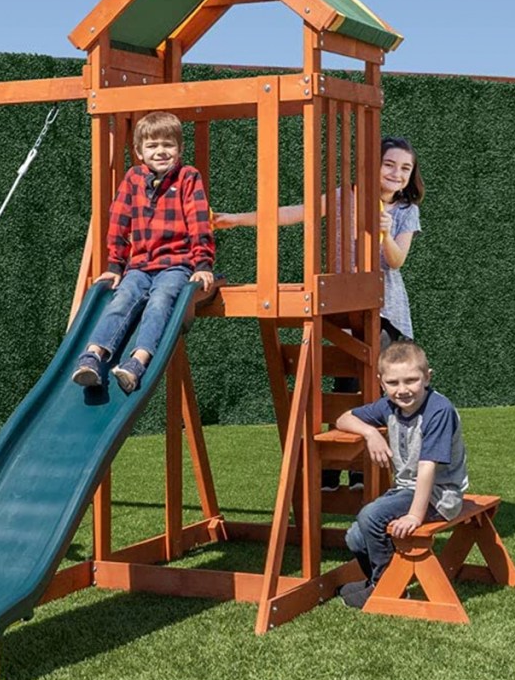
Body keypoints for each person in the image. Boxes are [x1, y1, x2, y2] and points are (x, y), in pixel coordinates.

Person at [214, 136, 424, 490]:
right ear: (374, 165)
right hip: (344, 304)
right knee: (345, 385)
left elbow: (396, 260)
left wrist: (384, 233)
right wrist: (237, 219)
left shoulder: (405, 211)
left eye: (405, 168)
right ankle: (338, 471)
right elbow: (295, 212)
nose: (397, 173)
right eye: (390, 164)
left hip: (385, 309)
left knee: (365, 385)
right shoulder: (347, 197)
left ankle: (355, 472)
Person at [71, 111, 215, 393]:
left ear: (179, 149)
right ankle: (94, 355)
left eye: (168, 145)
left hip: (175, 265)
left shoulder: (188, 177)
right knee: (122, 297)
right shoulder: (133, 178)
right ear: (139, 151)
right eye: (152, 146)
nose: (160, 151)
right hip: (138, 266)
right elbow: (119, 221)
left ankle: (137, 362)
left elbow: (199, 222)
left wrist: (202, 264)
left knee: (161, 301)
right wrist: (115, 266)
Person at [334, 340, 467, 609]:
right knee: (355, 537)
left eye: (411, 380)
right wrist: (371, 433)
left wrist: (415, 515)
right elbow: (343, 418)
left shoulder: (438, 411)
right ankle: (379, 581)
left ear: (427, 377)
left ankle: (388, 587)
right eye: (393, 383)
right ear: (382, 383)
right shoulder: (388, 406)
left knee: (370, 515)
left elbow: (428, 467)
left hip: (438, 495)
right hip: (405, 490)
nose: (403, 390)